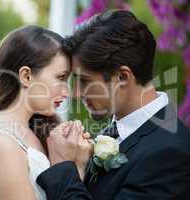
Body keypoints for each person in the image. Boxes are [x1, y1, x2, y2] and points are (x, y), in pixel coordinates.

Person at [36, 10, 190, 200]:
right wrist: (79, 168)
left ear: (122, 77)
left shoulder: (169, 154)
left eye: (84, 80)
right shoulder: (118, 131)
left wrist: (63, 166)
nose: (75, 93)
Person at [0, 25, 92, 200]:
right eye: (61, 78)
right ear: (26, 76)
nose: (67, 92)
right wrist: (73, 166)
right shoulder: (1, 146)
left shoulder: (36, 129)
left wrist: (76, 160)